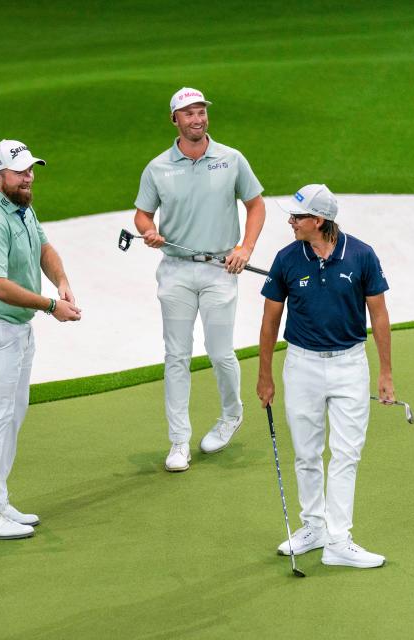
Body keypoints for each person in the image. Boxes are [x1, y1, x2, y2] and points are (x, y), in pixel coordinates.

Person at [256, 184, 393, 568]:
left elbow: (379, 316)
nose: (290, 222)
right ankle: (313, 527)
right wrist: (264, 375)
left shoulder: (362, 256)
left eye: (298, 217)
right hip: (301, 365)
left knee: (346, 454)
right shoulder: (287, 259)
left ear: (319, 221)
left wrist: (386, 373)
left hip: (350, 364)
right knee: (306, 453)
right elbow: (269, 321)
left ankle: (338, 539)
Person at [134, 87, 266, 472]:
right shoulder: (158, 167)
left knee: (220, 351)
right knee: (176, 355)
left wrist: (246, 248)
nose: (197, 119)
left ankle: (231, 415)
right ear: (174, 119)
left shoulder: (231, 159)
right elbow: (142, 215)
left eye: (201, 112)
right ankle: (178, 442)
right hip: (174, 269)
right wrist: (148, 232)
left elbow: (255, 205)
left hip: (220, 268)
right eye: (188, 113)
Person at [0, 139, 81, 540]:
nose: (29, 178)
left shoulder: (19, 204)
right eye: (20, 172)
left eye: (31, 170)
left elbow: (44, 246)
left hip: (13, 327)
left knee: (12, 416)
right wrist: (49, 304)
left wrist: (61, 280)